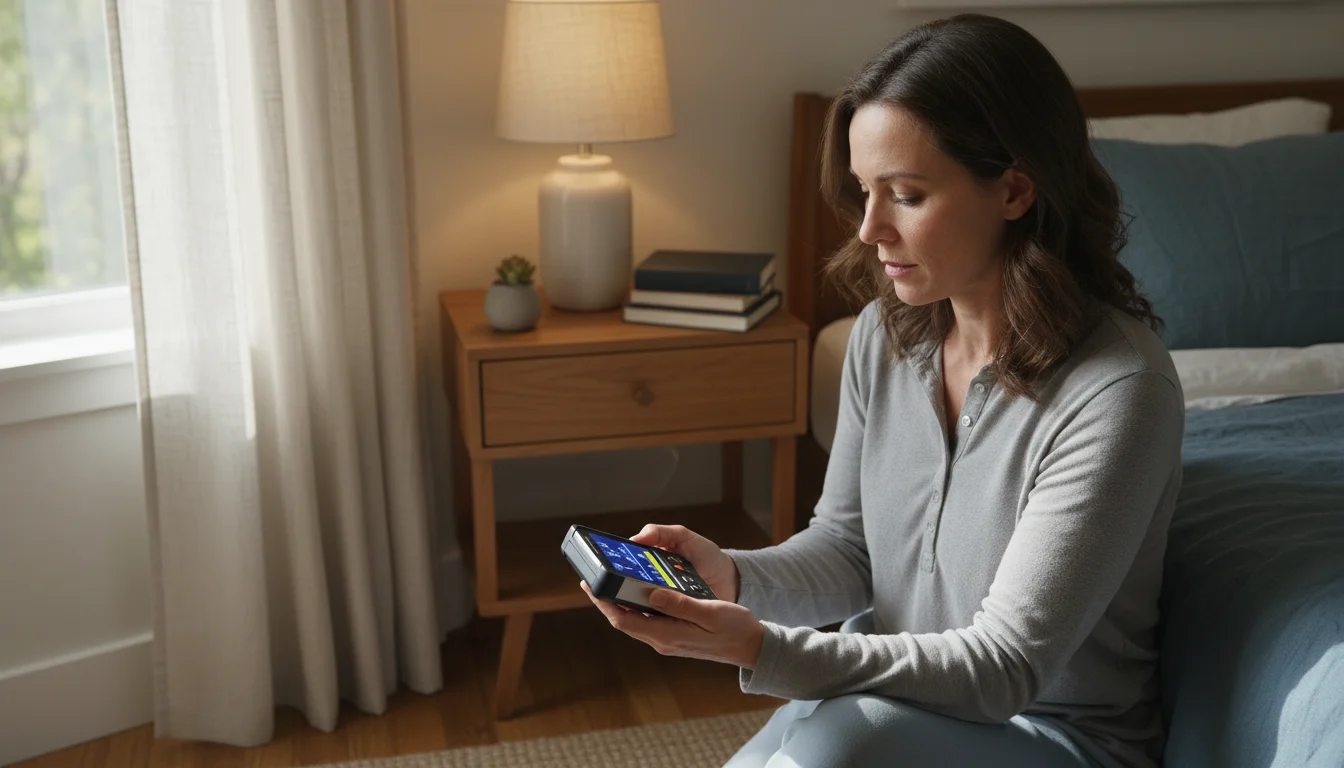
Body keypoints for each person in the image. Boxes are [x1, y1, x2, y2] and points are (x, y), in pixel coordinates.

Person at [581, 13, 1183, 768]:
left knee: (838, 748)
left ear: (1015, 190)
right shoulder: (884, 334)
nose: (869, 229)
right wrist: (730, 575)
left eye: (904, 194)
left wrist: (763, 648)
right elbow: (849, 552)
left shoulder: (1119, 391)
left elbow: (1004, 670)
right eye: (865, 191)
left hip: (1053, 734)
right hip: (885, 702)